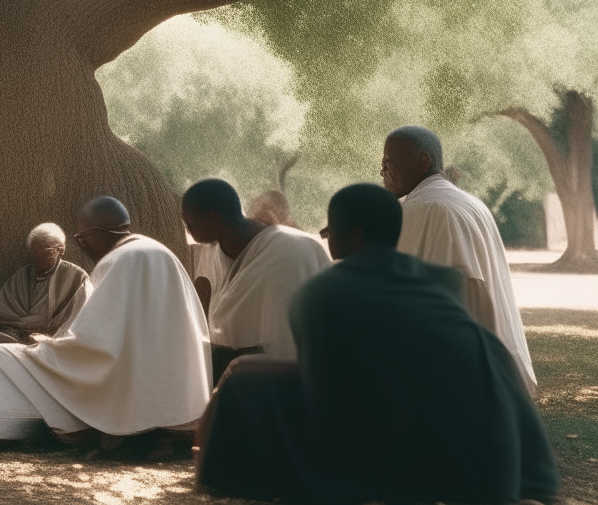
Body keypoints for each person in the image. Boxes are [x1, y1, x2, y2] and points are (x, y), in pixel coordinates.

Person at [197, 183, 558, 504]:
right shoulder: (442, 278)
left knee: (244, 377)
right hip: (483, 434)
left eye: (330, 228)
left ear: (353, 235)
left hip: (398, 429)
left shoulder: (323, 291)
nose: (325, 236)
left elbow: (326, 392)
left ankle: (242, 475)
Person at [0, 196, 211, 453]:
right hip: (174, 391)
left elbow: (94, 342)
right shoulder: (160, 252)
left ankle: (7, 433)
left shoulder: (114, 261)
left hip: (120, 379)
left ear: (98, 233)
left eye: (82, 238)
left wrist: (50, 347)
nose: (83, 245)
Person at [383, 125, 536, 393]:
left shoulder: (423, 208)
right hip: (497, 365)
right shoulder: (469, 203)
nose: (383, 171)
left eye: (389, 162)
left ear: (423, 161)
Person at [182, 179, 330, 384]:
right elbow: (201, 307)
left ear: (213, 218)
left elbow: (296, 334)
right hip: (229, 369)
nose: (188, 231)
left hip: (286, 375)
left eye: (191, 225)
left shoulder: (294, 251)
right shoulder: (212, 250)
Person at [0, 223, 90, 344]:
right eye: (34, 251)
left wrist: (50, 336)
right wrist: (20, 328)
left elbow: (80, 320)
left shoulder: (78, 277)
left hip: (55, 338)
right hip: (14, 333)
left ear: (60, 250)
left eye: (46, 251)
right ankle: (20, 340)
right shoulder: (22, 275)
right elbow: (2, 310)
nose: (39, 256)